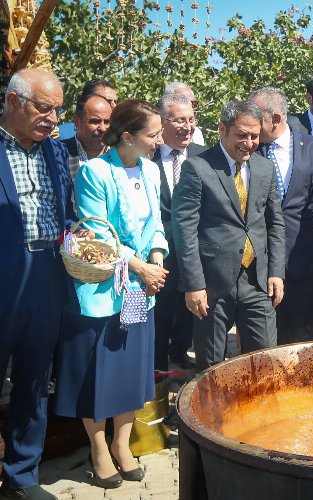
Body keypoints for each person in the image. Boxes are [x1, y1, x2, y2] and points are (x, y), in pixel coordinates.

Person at [54, 99, 169, 490]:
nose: (158, 141)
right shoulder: (94, 173)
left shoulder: (151, 170)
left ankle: (123, 444)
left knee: (130, 369)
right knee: (97, 373)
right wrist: (140, 266)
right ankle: (99, 448)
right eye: (152, 135)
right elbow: (99, 236)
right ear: (128, 136)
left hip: (139, 292)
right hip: (104, 291)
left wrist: (156, 257)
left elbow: (156, 223)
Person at [0, 68, 75, 500]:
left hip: (47, 276)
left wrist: (73, 235)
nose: (52, 118)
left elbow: (62, 211)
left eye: (57, 110)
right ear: (13, 101)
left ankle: (22, 478)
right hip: (5, 281)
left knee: (34, 380)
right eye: (43, 107)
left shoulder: (53, 152)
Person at [171, 100, 285, 371]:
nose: (249, 143)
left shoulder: (264, 168)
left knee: (265, 361)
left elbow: (274, 224)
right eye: (241, 135)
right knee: (211, 367)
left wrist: (276, 271)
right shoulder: (198, 168)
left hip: (257, 281)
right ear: (223, 130)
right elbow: (184, 229)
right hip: (212, 285)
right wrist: (194, 284)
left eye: (254, 136)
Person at [248, 87, 313, 345]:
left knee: (309, 346)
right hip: (259, 265)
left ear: (276, 119)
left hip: (308, 263)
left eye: (256, 118)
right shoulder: (247, 151)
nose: (249, 125)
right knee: (265, 346)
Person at [152, 93, 206, 371]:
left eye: (191, 119)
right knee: (160, 309)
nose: (188, 127)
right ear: (161, 122)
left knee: (191, 305)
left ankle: (181, 350)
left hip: (196, 247)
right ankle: (156, 365)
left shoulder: (203, 157)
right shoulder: (146, 157)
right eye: (179, 120)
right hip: (158, 249)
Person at [63, 93, 112, 184]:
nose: (102, 128)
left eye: (107, 122)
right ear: (77, 121)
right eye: (95, 121)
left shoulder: (119, 155)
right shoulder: (59, 153)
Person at [163, 81, 205, 146]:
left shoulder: (197, 134)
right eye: (181, 101)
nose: (187, 106)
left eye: (192, 103)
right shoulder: (151, 139)